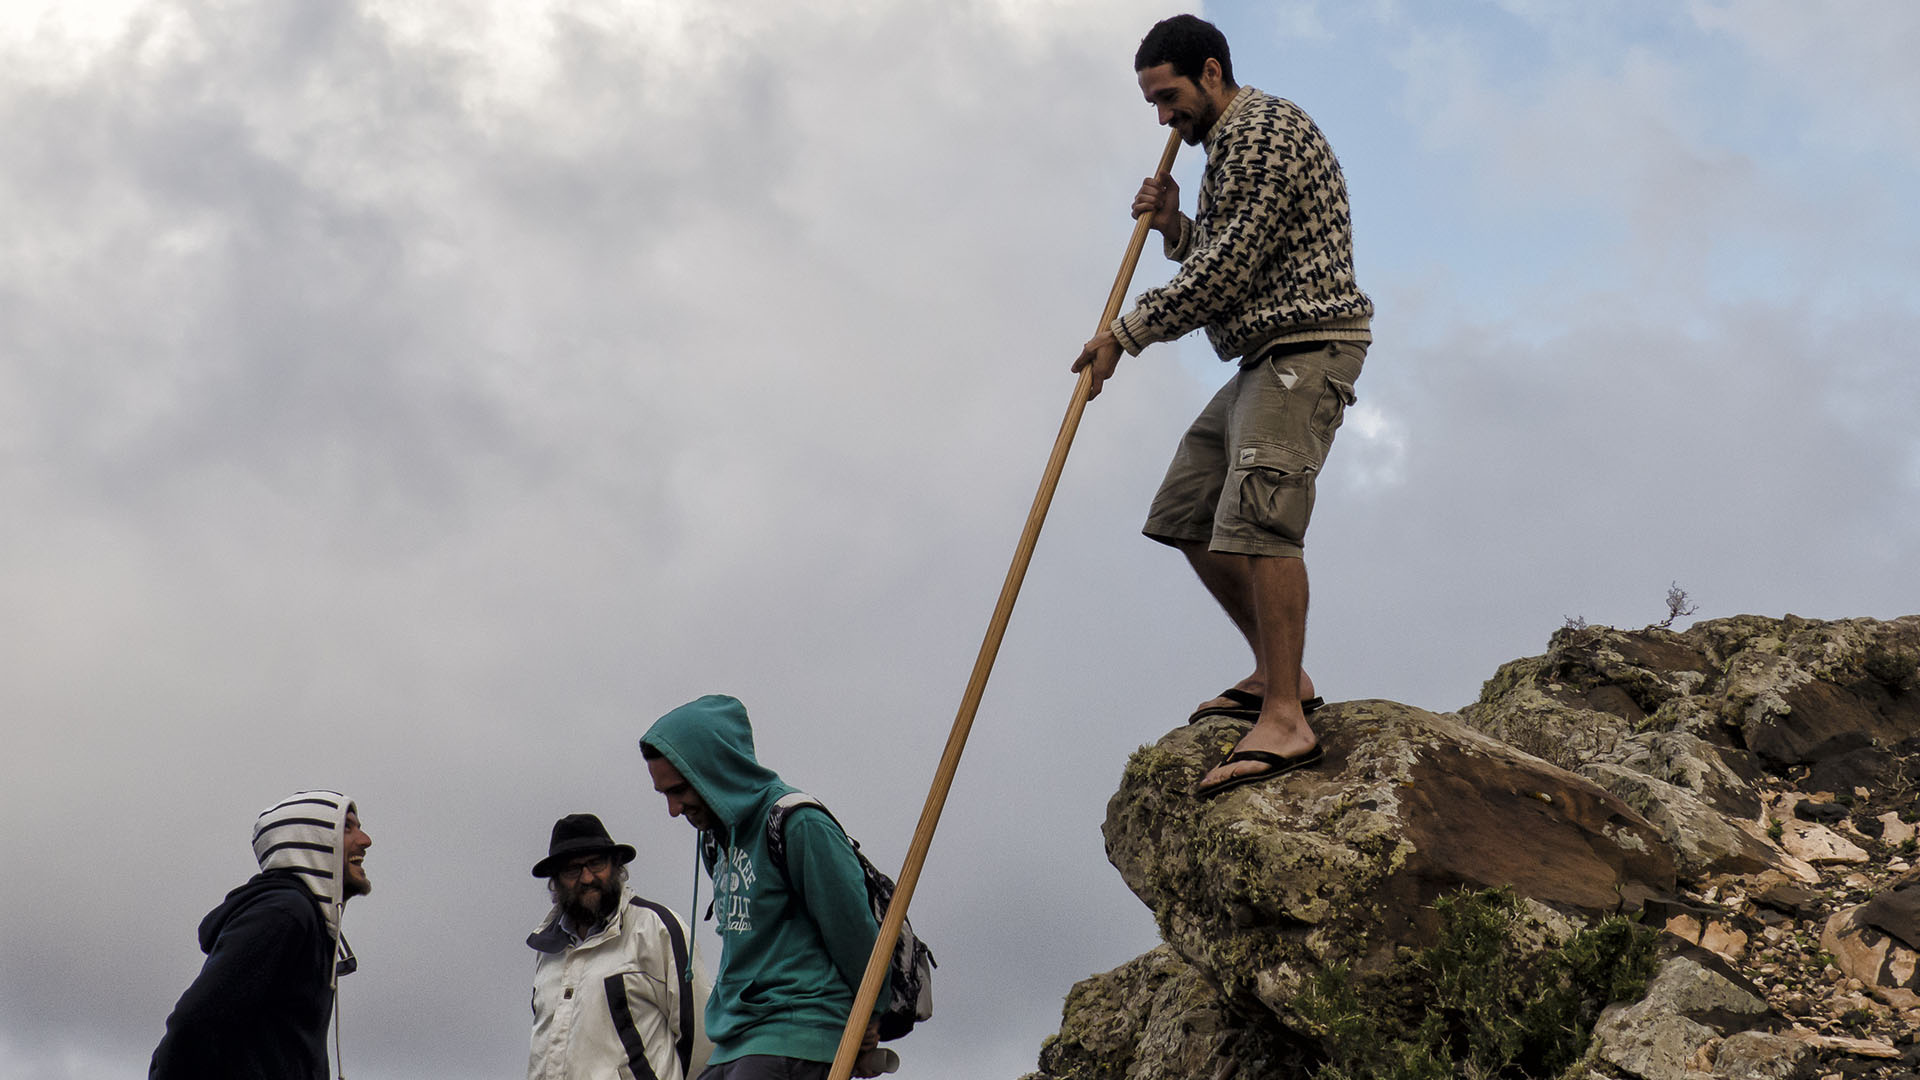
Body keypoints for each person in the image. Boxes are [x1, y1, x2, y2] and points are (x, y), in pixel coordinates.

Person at [1071, 14, 1374, 798]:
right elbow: (1231, 250)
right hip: (1263, 354)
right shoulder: (1231, 148)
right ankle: (1287, 677)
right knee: (1186, 508)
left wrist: (1122, 335)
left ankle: (1285, 720)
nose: (1164, 119)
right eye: (1152, 106)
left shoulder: (1265, 132)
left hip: (1307, 350)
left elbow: (1229, 273)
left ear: (1210, 72)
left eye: (1168, 98)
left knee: (1262, 522)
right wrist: (1175, 226)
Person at [640, 694, 887, 1080]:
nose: (674, 809)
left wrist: (873, 1009)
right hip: (736, 1036)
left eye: (679, 791)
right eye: (665, 795)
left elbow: (853, 930)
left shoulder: (799, 824)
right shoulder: (714, 838)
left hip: (799, 1027)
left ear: (715, 771)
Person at [150, 789, 372, 1080]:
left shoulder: (307, 922)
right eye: (346, 828)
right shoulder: (285, 913)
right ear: (310, 842)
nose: (365, 840)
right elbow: (195, 1023)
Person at [527, 812, 714, 1080]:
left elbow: (702, 1041)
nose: (587, 877)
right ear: (555, 880)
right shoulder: (548, 948)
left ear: (616, 866)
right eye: (572, 870)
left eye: (596, 863)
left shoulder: (656, 929)